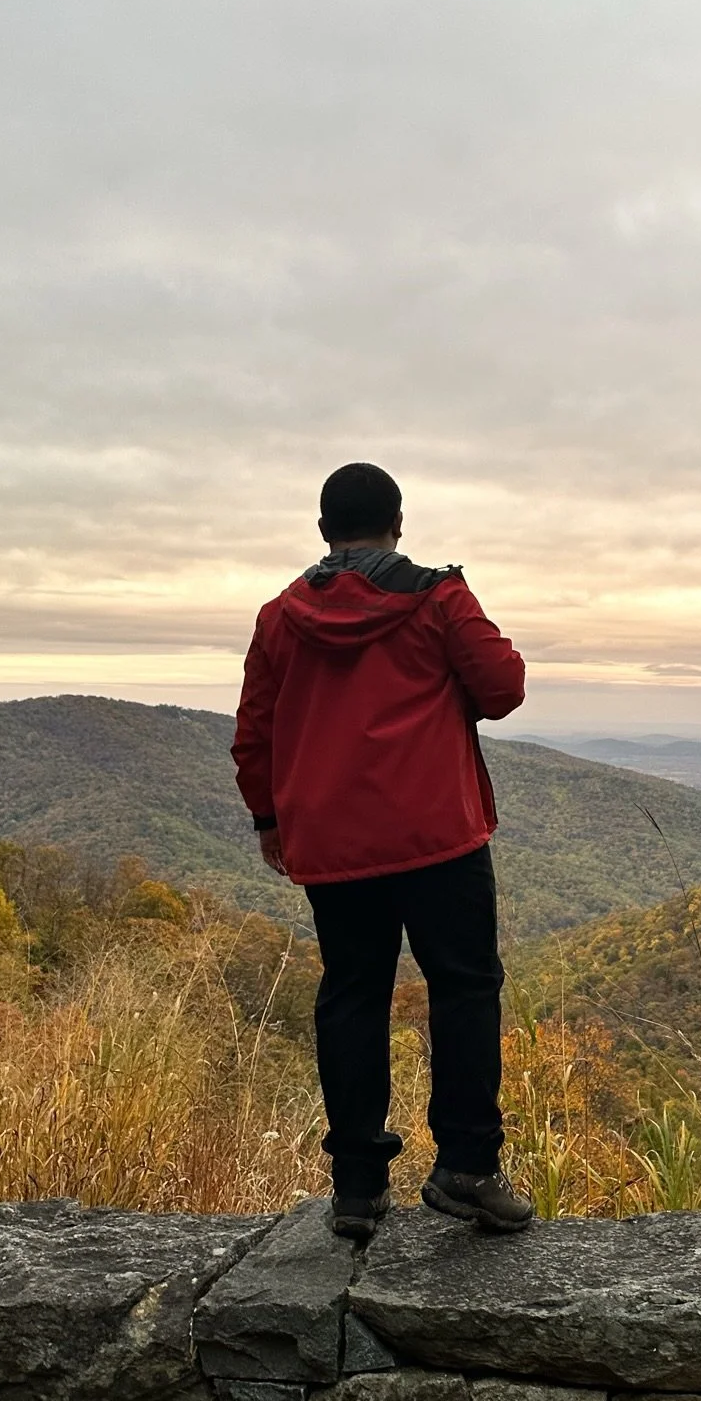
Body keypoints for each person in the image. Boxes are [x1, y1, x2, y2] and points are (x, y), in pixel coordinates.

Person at [231, 461, 533, 1241]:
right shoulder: (438, 597)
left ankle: (358, 1188)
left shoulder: (278, 617)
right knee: (463, 989)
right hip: (438, 835)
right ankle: (466, 1168)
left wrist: (270, 819)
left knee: (353, 993)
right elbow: (502, 688)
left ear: (324, 530)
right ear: (398, 522)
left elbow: (254, 733)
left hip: (330, 843)